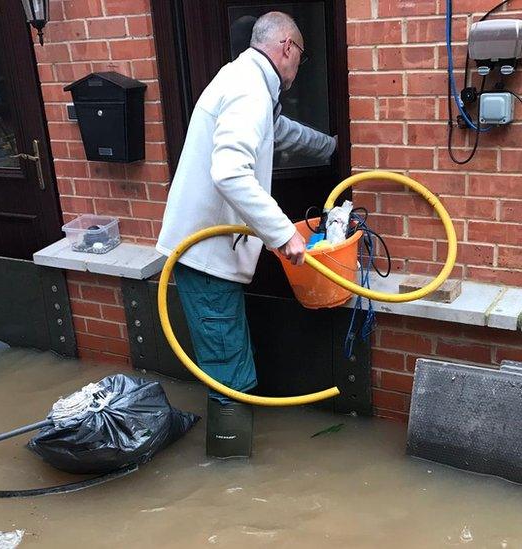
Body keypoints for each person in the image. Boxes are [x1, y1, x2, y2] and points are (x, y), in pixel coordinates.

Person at [156, 12, 336, 457]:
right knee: (228, 372)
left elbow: (278, 131)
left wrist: (331, 147)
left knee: (227, 359)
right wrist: (282, 235)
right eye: (300, 57)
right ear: (288, 49)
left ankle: (230, 478)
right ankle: (231, 488)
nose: (299, 68)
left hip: (210, 251)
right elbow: (230, 172)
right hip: (206, 254)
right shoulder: (249, 89)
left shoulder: (244, 82)